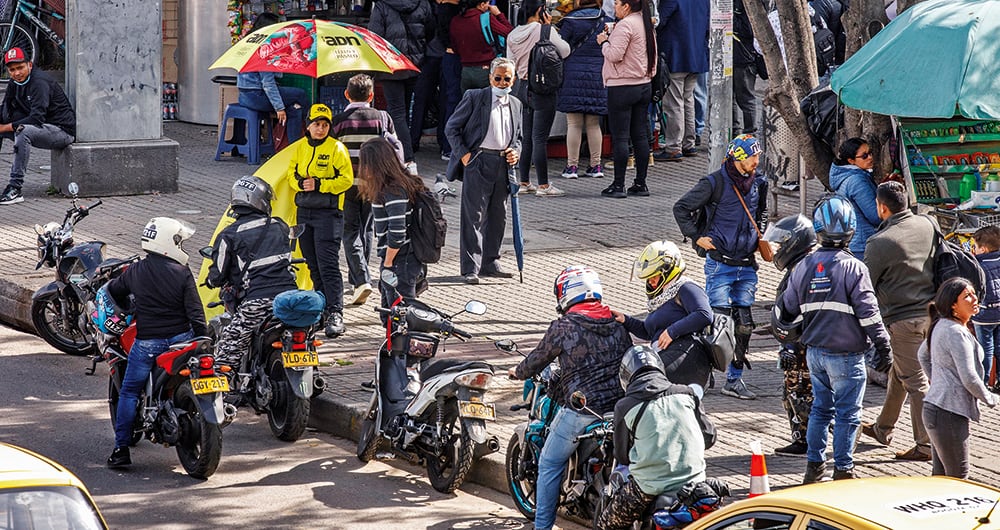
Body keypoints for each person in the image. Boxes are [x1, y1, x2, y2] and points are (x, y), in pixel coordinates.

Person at [775, 196, 893, 483]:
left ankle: (814, 468)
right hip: (846, 356)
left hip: (815, 354)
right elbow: (869, 314)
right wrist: (884, 346)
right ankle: (843, 470)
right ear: (851, 230)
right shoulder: (854, 268)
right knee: (848, 414)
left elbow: (787, 308)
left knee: (820, 410)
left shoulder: (803, 266)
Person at [508, 265, 632, 530]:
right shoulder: (617, 323)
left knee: (549, 462)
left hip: (582, 410)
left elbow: (538, 358)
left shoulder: (564, 326)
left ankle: (543, 526)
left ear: (566, 293)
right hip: (619, 409)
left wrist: (518, 372)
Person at [105, 217, 209, 468]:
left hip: (148, 343)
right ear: (167, 243)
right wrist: (203, 338)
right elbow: (196, 312)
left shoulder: (135, 271)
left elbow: (114, 291)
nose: (181, 246)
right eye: (178, 241)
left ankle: (120, 450)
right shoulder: (182, 272)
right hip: (181, 341)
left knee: (129, 392)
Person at [673, 134, 768, 400]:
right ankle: (705, 372)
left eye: (757, 156)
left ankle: (735, 378)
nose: (756, 161)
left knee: (744, 324)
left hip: (746, 264)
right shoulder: (714, 183)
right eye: (752, 156)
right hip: (720, 265)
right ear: (738, 158)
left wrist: (760, 233)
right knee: (717, 322)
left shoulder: (759, 182)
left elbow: (761, 212)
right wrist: (696, 236)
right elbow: (681, 208)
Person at [860, 180, 936, 462]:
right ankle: (883, 428)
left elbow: (865, 284)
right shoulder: (928, 224)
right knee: (899, 373)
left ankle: (926, 444)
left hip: (904, 320)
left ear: (882, 208)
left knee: (915, 381)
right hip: (933, 314)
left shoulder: (880, 242)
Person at [596, 345, 708, 529]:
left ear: (626, 376)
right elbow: (709, 436)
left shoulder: (625, 406)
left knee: (606, 524)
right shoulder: (687, 393)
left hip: (648, 487)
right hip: (695, 481)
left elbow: (622, 456)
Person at [206, 176, 298, 377]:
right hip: (290, 298)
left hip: (257, 302)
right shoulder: (279, 226)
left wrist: (211, 281)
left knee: (227, 353)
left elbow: (218, 274)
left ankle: (224, 392)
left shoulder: (228, 234)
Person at [445, 57, 522, 285]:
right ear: (490, 78)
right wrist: (465, 155)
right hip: (478, 160)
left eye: (506, 79)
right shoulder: (475, 97)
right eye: (498, 78)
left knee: (498, 215)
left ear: (513, 80)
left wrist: (516, 152)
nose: (502, 83)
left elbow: (518, 138)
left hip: (502, 164)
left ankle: (490, 261)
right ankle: (470, 267)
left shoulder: (516, 104)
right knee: (474, 216)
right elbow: (452, 128)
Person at [330, 74, 405, 307]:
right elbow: (394, 147)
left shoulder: (338, 121)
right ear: (371, 95)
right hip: (375, 185)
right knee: (368, 229)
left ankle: (361, 279)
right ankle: (359, 278)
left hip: (347, 185)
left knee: (350, 232)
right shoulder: (382, 118)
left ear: (346, 94)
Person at [285, 103, 354, 338]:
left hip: (328, 214)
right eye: (316, 124)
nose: (320, 129)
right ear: (308, 125)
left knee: (328, 265)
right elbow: (291, 173)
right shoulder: (300, 147)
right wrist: (300, 183)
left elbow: (346, 180)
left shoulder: (337, 148)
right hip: (304, 213)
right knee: (312, 265)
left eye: (325, 125)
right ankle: (322, 310)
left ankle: (336, 313)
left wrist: (320, 184)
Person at [920, 277, 999, 478]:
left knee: (942, 477)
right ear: (953, 305)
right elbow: (969, 377)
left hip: (937, 409)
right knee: (958, 477)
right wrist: (990, 398)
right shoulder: (955, 332)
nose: (975, 298)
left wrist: (939, 380)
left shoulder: (942, 324)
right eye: (967, 296)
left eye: (973, 293)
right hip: (948, 413)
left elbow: (922, 355)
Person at [611, 240, 713, 389]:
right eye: (648, 278)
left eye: (654, 276)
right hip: (667, 354)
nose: (650, 281)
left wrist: (672, 331)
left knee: (643, 384)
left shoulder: (686, 288)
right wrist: (626, 320)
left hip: (685, 356)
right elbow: (649, 332)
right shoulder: (663, 295)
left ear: (668, 270)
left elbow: (704, 314)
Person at [762, 213, 818, 457]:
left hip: (803, 345)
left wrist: (792, 347)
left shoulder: (804, 269)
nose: (778, 249)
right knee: (792, 393)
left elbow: (800, 313)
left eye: (781, 243)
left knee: (800, 392)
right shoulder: (803, 265)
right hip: (799, 342)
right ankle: (802, 438)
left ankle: (811, 440)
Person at [507, 0, 570, 197]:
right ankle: (543, 185)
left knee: (526, 138)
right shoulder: (544, 30)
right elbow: (565, 50)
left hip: (521, 88)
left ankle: (524, 182)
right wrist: (550, 27)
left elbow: (510, 62)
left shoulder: (513, 34)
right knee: (540, 138)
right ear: (540, 10)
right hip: (542, 88)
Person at [357, 137, 429, 309]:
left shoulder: (393, 191)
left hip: (401, 260)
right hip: (397, 259)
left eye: (365, 163)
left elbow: (397, 232)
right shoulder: (387, 188)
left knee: (400, 312)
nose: (363, 168)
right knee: (389, 312)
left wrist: (388, 263)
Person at [0, 47, 76, 205]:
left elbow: (36, 118)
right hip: (40, 127)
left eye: (20, 67)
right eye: (12, 70)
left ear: (29, 65)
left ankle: (15, 188)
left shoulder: (39, 82)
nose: (17, 73)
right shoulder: (15, 82)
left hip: (61, 131)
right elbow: (6, 108)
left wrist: (5, 127)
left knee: (23, 131)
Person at [596, 0, 657, 198]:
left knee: (621, 137)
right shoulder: (645, 23)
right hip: (644, 84)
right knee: (640, 135)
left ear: (626, 6)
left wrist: (604, 42)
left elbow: (615, 55)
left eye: (616, 3)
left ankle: (618, 184)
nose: (614, 7)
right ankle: (640, 183)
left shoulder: (626, 25)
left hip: (622, 86)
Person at [368, 0, 433, 176]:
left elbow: (374, 37)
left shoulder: (382, 6)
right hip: (414, 63)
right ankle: (398, 155)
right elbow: (430, 31)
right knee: (402, 113)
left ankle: (407, 159)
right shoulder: (422, 3)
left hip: (391, 65)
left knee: (396, 112)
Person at [555, 0, 611, 180]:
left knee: (574, 123)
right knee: (594, 123)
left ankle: (572, 166)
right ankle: (596, 165)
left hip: (573, 74)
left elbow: (560, 47)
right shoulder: (606, 21)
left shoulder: (570, 20)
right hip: (597, 74)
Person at [236, 13, 308, 146]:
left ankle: (292, 147)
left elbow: (272, 74)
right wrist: (279, 107)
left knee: (295, 109)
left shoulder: (249, 41)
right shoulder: (265, 48)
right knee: (300, 94)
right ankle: (310, 127)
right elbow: (268, 83)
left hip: (244, 96)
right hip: (258, 96)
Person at [651, 0, 708, 162]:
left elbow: (660, 21)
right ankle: (689, 143)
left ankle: (673, 147)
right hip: (696, 56)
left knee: (674, 103)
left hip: (676, 56)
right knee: (688, 100)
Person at [829, 137, 880, 260]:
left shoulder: (846, 176)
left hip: (853, 241)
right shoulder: (857, 181)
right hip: (863, 244)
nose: (870, 158)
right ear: (851, 160)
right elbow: (875, 216)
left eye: (870, 153)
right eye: (864, 156)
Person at [450, 0, 514, 92]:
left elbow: (455, 48)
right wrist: (499, 15)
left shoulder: (455, 20)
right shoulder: (486, 18)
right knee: (487, 100)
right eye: (488, 3)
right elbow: (511, 34)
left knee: (468, 100)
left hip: (465, 70)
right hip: (485, 69)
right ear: (482, 4)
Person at [973, 225, 1000, 387]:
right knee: (999, 347)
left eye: (975, 247)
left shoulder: (977, 265)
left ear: (983, 249)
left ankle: (983, 384)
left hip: (984, 314)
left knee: (985, 350)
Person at [731, 0, 759, 137]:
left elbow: (748, 30)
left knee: (746, 98)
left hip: (744, 58)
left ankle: (750, 133)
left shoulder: (747, 6)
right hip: (735, 56)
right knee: (730, 97)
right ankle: (735, 130)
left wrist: (731, 18)